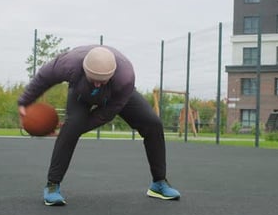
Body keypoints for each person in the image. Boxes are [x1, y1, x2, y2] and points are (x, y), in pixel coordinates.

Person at [18, 45, 181, 206]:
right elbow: (44, 77)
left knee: (153, 124)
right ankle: (52, 185)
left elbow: (106, 114)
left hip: (115, 95)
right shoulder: (68, 64)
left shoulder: (125, 78)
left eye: (102, 81)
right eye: (94, 79)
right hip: (80, 93)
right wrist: (24, 102)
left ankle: (159, 183)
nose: (97, 84)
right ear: (84, 70)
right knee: (72, 126)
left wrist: (68, 129)